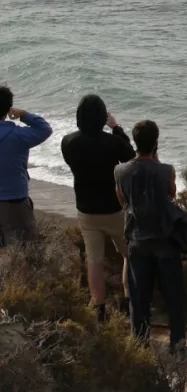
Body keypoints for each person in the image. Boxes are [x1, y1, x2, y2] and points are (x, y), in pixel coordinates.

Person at [61, 94, 136, 321]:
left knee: (94, 259)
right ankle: (128, 300)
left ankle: (98, 307)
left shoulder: (68, 142)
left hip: (85, 208)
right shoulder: (111, 142)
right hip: (113, 208)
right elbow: (130, 155)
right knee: (128, 255)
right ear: (103, 117)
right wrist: (116, 127)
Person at [113, 120, 186, 354]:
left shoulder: (120, 170)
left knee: (139, 296)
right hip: (164, 238)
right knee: (173, 294)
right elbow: (172, 194)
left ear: (135, 142)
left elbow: (122, 200)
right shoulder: (166, 170)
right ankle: (177, 343)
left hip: (137, 239)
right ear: (156, 142)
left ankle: (140, 343)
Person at [0, 86, 52, 247]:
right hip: (15, 197)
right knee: (26, 245)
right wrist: (23, 114)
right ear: (8, 109)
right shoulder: (18, 135)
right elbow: (44, 129)